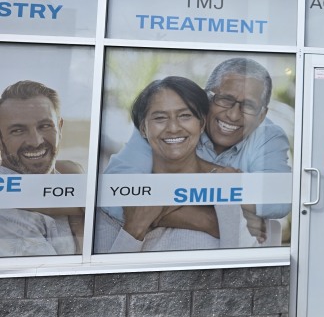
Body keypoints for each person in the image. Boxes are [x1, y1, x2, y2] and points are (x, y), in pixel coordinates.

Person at [104, 57, 291, 239]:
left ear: (261, 115)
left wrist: (160, 204)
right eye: (225, 99)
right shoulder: (163, 125)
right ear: (206, 97)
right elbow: (115, 191)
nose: (233, 115)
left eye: (249, 106)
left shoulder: (269, 137)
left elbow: (278, 200)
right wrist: (207, 220)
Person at [97, 76, 256, 252]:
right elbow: (106, 278)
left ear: (201, 124)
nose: (173, 127)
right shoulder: (121, 199)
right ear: (143, 129)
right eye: (160, 118)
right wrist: (133, 230)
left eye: (185, 116)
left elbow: (248, 268)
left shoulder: (231, 184)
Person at [0, 80, 82, 256]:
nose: (36, 141)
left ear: (60, 128)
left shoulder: (71, 179)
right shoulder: (6, 213)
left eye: (45, 126)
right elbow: (52, 279)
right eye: (18, 130)